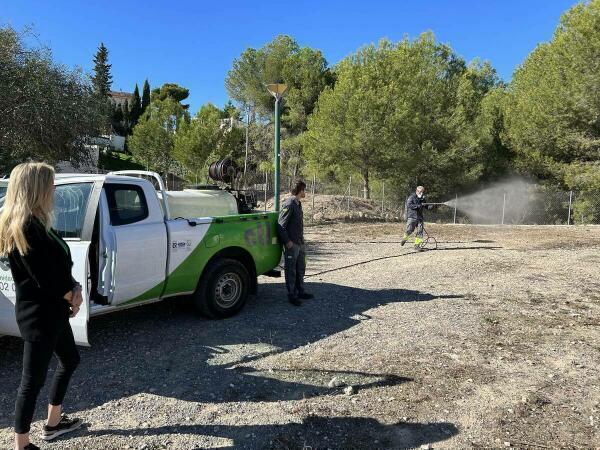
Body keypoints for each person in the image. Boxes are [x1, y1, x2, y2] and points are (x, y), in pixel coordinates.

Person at [0, 163, 84, 450]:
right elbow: (46, 278)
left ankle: (53, 423)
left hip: (54, 313)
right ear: (35, 189)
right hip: (40, 318)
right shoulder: (24, 228)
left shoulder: (36, 223)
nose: (53, 191)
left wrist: (75, 288)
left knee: (70, 360)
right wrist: (72, 294)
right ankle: (21, 445)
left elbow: (58, 267)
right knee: (31, 382)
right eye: (50, 185)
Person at [277, 180, 314, 306]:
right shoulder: (290, 203)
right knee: (291, 270)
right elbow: (280, 226)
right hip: (292, 244)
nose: (305, 192)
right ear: (300, 191)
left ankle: (300, 291)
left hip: (299, 242)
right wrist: (287, 242)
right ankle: (292, 295)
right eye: (304, 190)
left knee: (300, 268)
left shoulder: (298, 204)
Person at [401, 185, 432, 252]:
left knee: (420, 231)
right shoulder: (411, 197)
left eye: (422, 192)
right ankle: (405, 238)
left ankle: (417, 245)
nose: (421, 193)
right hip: (412, 217)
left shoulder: (422, 198)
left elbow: (426, 205)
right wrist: (418, 206)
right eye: (420, 192)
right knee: (409, 230)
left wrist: (430, 206)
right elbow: (409, 205)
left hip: (420, 218)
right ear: (417, 191)